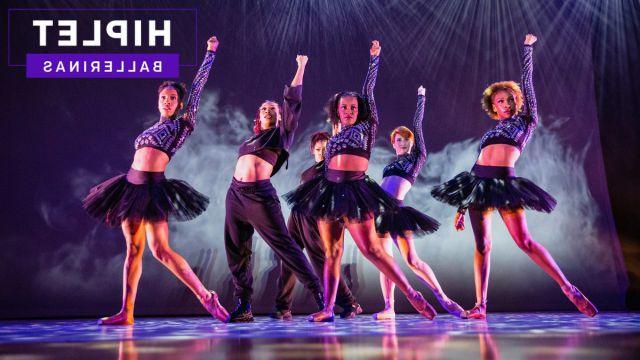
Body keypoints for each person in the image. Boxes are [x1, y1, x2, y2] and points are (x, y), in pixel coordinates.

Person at [431, 34, 597, 319]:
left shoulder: (526, 121)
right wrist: (460, 207)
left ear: (517, 102)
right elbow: (478, 163)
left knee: (524, 241)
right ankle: (480, 305)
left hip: (506, 183)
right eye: (500, 101)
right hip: (477, 184)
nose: (506, 104)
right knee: (482, 246)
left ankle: (568, 288)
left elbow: (528, 83)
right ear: (493, 107)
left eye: (510, 99)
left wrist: (527, 50)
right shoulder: (490, 132)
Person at [286, 41, 437, 322]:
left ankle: (412, 294)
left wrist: (374, 59)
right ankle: (329, 308)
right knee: (331, 253)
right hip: (330, 193)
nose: (349, 110)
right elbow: (327, 165)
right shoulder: (334, 137)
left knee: (371, 249)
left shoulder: (368, 127)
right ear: (338, 110)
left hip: (355, 192)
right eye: (344, 107)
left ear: (360, 109)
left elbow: (368, 90)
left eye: (353, 107)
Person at [83, 36, 229, 325]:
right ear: (158, 100)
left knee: (160, 250)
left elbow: (197, 87)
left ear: (179, 103)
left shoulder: (183, 123)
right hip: (129, 187)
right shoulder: (150, 128)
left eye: (173, 98)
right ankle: (127, 312)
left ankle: (205, 297)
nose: (167, 101)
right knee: (133, 250)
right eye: (163, 97)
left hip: (153, 188)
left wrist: (210, 53)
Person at [224, 55, 324, 322]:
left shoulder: (281, 134)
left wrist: (300, 67)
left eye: (273, 109)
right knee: (237, 250)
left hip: (259, 196)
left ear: (280, 116)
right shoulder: (249, 139)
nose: (268, 111)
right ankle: (244, 305)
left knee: (286, 247)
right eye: (264, 109)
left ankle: (321, 296)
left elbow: (292, 101)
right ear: (258, 116)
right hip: (234, 195)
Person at [373, 86, 465, 320]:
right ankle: (389, 307)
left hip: (398, 212)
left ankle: (442, 296)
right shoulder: (389, 165)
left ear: (412, 144)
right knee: (386, 262)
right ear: (394, 143)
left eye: (406, 140)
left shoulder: (417, 158)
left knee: (412, 260)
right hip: (380, 213)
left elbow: (417, 126)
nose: (403, 143)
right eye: (399, 140)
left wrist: (421, 98)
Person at [272, 132, 362, 320]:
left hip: (316, 217)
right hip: (297, 214)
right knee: (289, 258)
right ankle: (283, 307)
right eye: (318, 149)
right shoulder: (306, 173)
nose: (322, 153)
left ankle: (350, 302)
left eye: (326, 149)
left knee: (321, 261)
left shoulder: (334, 170)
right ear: (313, 150)